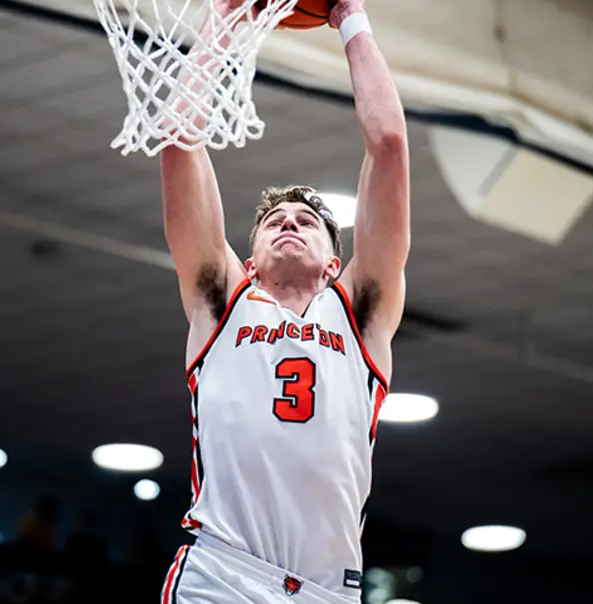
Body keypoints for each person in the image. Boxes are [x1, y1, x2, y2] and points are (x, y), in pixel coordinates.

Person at [157, 0, 409, 602]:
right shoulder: (222, 301)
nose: (287, 224)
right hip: (221, 574)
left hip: (328, 590)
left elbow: (392, 145)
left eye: (305, 220)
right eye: (273, 220)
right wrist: (222, 20)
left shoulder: (360, 313)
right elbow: (178, 143)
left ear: (333, 263)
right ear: (248, 262)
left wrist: (350, 17)